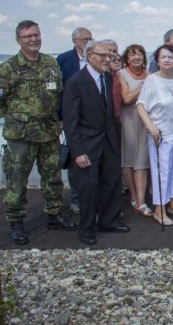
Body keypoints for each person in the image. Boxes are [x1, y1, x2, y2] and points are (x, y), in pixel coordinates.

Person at [0, 20, 76, 245]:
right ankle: (16, 222)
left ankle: (54, 214)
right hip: (20, 136)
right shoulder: (9, 67)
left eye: (36, 35)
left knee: (53, 177)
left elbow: (58, 95)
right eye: (28, 36)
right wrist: (14, 117)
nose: (33, 39)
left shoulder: (50, 63)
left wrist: (59, 119)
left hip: (48, 132)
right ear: (19, 40)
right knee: (17, 179)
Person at [63, 40, 130, 245]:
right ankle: (87, 228)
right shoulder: (76, 82)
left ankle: (108, 221)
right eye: (102, 56)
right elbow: (70, 121)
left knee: (112, 182)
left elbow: (109, 112)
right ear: (89, 55)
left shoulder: (107, 78)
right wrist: (78, 151)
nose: (107, 59)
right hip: (87, 145)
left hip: (108, 142)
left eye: (109, 56)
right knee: (89, 188)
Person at [137, 44, 173, 226]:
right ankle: (160, 210)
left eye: (170, 57)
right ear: (157, 61)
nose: (167, 60)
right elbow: (140, 105)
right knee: (162, 172)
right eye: (163, 57)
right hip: (161, 134)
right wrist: (150, 126)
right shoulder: (152, 80)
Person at [57, 26, 93, 214]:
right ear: (75, 41)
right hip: (72, 119)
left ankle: (92, 198)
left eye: (90, 39)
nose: (88, 42)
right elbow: (57, 91)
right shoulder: (64, 60)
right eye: (84, 39)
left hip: (92, 121)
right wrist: (60, 118)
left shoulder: (96, 59)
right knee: (75, 159)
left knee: (92, 159)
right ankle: (76, 199)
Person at [118, 44, 152, 217]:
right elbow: (126, 98)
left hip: (146, 119)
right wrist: (144, 85)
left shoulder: (150, 72)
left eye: (139, 54)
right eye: (132, 55)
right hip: (129, 119)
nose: (136, 57)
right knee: (128, 159)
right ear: (127, 58)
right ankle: (133, 194)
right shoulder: (122, 74)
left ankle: (140, 200)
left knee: (142, 160)